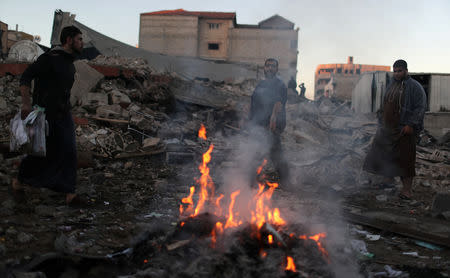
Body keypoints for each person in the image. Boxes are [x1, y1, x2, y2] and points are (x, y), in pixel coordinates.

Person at [11, 26, 84, 206]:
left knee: (69, 150)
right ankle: (20, 180)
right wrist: (26, 103)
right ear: (69, 40)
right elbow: (26, 77)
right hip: (46, 114)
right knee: (41, 152)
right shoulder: (49, 59)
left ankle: (69, 192)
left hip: (63, 113)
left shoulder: (69, 62)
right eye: (79, 39)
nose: (82, 43)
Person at [363, 59, 426, 200]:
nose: (397, 73)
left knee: (405, 160)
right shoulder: (391, 85)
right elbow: (385, 104)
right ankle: (388, 181)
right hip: (387, 129)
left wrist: (411, 124)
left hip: (404, 129)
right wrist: (380, 118)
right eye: (395, 71)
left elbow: (420, 107)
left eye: (400, 71)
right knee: (383, 154)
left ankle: (407, 191)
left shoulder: (414, 87)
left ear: (406, 71)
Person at [248, 58, 289, 185]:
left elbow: (279, 103)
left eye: (273, 66)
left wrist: (273, 118)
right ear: (264, 68)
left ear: (277, 69)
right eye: (268, 66)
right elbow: (254, 102)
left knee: (275, 152)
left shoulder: (280, 85)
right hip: (259, 122)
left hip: (272, 123)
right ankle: (250, 179)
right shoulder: (261, 84)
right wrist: (248, 118)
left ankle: (286, 180)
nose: (270, 68)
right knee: (256, 149)